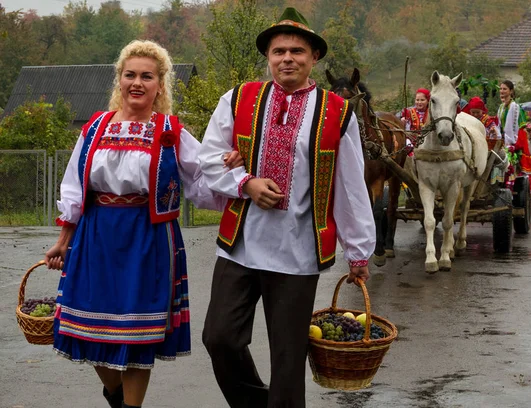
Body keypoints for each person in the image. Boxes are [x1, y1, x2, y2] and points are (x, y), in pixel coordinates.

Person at [44, 40, 242, 408]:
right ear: (119, 81)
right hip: (95, 234)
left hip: (148, 237)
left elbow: (202, 179)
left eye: (146, 76)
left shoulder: (170, 131)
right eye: (130, 75)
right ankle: (116, 393)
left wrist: (231, 170)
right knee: (85, 329)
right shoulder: (95, 128)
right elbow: (74, 187)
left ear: (160, 85)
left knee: (137, 334)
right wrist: (63, 239)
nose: (137, 82)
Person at [198, 7, 376, 408]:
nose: (287, 59)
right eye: (279, 51)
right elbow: (208, 159)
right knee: (219, 337)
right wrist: (245, 183)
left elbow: (351, 187)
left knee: (288, 358)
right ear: (268, 57)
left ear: (314, 58)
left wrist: (358, 249)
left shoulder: (337, 112)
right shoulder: (239, 98)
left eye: (297, 50)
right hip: (240, 246)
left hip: (298, 251)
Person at [497, 80, 531, 181]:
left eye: (504, 89)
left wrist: (511, 142)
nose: (502, 91)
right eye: (501, 89)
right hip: (502, 140)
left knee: (509, 165)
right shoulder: (501, 107)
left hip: (512, 142)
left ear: (511, 91)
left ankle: (509, 185)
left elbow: (520, 126)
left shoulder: (515, 107)